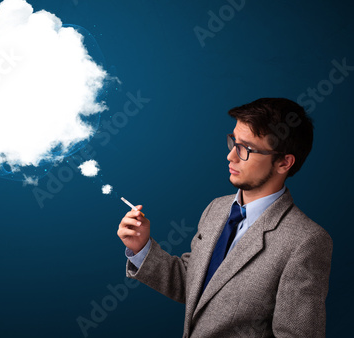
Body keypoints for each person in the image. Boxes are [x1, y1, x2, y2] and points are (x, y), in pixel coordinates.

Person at [117, 98, 333, 338]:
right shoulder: (216, 209)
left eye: (246, 149)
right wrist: (141, 248)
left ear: (284, 162)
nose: (231, 156)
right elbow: (197, 287)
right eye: (233, 142)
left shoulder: (306, 242)